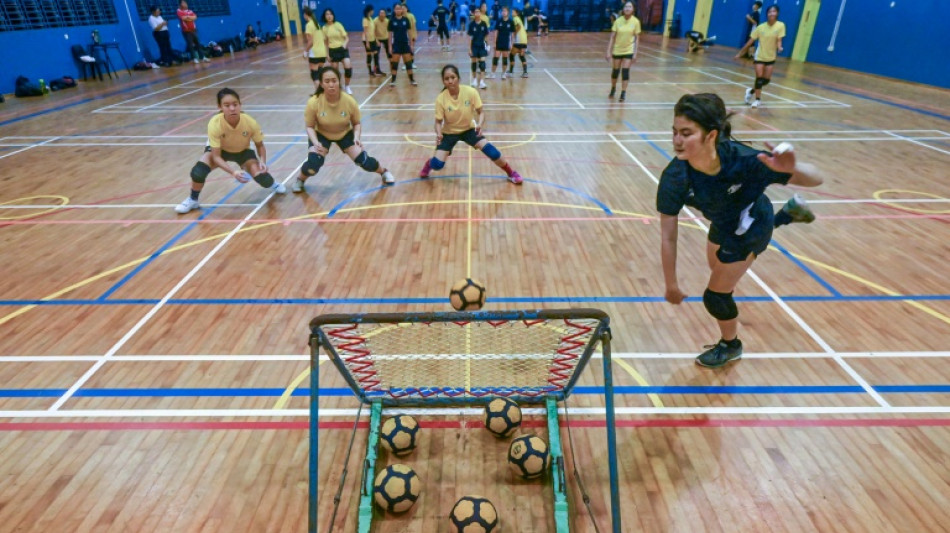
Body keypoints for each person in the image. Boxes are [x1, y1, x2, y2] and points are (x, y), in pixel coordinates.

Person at [657, 93, 822, 367]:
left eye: (686, 133)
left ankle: (730, 345)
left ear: (710, 136)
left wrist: (794, 168)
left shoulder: (744, 161)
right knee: (719, 272)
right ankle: (788, 214)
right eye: (674, 132)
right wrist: (670, 284)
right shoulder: (675, 178)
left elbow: (817, 178)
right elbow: (668, 235)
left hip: (753, 223)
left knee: (716, 296)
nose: (677, 140)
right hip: (723, 221)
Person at [175, 88, 286, 214]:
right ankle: (193, 199)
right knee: (198, 172)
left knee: (263, 178)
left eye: (235, 104)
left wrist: (263, 162)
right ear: (220, 107)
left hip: (243, 151)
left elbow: (260, 145)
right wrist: (233, 172)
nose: (232, 108)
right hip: (220, 151)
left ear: (240, 104)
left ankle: (273, 184)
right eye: (227, 105)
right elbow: (216, 156)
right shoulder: (215, 123)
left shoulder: (250, 122)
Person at [293, 66, 396, 193]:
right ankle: (300, 180)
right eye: (327, 81)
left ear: (339, 81)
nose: (331, 84)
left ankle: (383, 172)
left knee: (364, 161)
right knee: (313, 164)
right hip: (321, 135)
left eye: (334, 80)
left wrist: (356, 137)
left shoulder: (349, 101)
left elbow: (356, 123)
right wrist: (315, 142)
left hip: (344, 133)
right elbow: (309, 126)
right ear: (321, 84)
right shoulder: (314, 102)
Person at [418, 65, 523, 184]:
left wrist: (480, 124)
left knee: (493, 152)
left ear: (458, 78)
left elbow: (481, 112)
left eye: (453, 77)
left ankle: (511, 173)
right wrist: (438, 133)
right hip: (449, 133)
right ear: (443, 81)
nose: (450, 81)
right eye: (447, 79)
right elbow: (438, 122)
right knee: (437, 164)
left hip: (469, 130)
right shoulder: (440, 99)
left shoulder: (470, 92)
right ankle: (429, 164)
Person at [735, 5, 784, 109]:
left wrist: (780, 47)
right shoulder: (761, 27)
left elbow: (779, 40)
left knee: (766, 80)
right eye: (770, 12)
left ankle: (750, 91)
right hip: (759, 56)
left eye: (774, 11)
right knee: (759, 79)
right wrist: (740, 53)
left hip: (771, 57)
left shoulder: (780, 26)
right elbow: (750, 42)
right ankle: (757, 100)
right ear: (767, 14)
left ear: (777, 13)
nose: (772, 13)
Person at [605, 1, 640, 102]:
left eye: (630, 7)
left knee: (625, 72)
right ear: (623, 9)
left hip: (628, 50)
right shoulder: (618, 21)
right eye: (626, 7)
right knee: (615, 72)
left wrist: (635, 53)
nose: (627, 8)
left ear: (633, 9)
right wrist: (608, 51)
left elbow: (637, 39)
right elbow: (612, 37)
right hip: (617, 50)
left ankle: (623, 92)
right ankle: (613, 88)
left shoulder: (636, 22)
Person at [322, 8, 354, 95]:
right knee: (335, 72)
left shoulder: (338, 24)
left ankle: (347, 86)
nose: (329, 16)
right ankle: (338, 87)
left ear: (333, 15)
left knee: (348, 68)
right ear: (324, 16)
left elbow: (346, 38)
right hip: (333, 51)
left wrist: (344, 44)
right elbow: (326, 43)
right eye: (327, 14)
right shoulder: (324, 28)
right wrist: (327, 54)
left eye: (330, 14)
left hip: (342, 50)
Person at [388, 3, 417, 87]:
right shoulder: (391, 21)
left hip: (405, 45)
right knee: (394, 64)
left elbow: (410, 33)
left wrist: (411, 45)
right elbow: (390, 35)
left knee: (408, 64)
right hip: (396, 45)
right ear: (394, 10)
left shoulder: (406, 20)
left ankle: (412, 80)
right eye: (396, 9)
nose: (398, 10)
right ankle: (393, 80)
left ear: (402, 10)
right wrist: (390, 46)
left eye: (399, 8)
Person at [302, 7, 327, 91]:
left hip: (315, 53)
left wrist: (305, 51)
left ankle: (319, 93)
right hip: (322, 53)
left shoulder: (309, 25)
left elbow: (311, 41)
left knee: (315, 74)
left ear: (305, 15)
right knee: (320, 73)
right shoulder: (317, 24)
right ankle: (322, 92)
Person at [489, 6, 514, 80]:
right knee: (495, 58)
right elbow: (496, 32)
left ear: (508, 12)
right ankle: (493, 73)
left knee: (505, 59)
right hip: (499, 42)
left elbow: (512, 34)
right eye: (503, 11)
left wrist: (511, 43)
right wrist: (494, 43)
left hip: (506, 43)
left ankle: (503, 73)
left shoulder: (510, 22)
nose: (504, 12)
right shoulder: (499, 21)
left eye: (505, 11)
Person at [468, 8, 490, 89]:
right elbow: (470, 38)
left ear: (480, 13)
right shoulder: (471, 24)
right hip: (474, 46)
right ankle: (474, 80)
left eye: (478, 12)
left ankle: (482, 82)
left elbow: (486, 35)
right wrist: (469, 49)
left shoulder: (483, 24)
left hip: (482, 46)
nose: (477, 13)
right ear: (474, 14)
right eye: (476, 12)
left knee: (482, 64)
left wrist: (488, 46)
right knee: (474, 63)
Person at [362, 5, 381, 78]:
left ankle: (375, 70)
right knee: (369, 55)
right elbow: (365, 32)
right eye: (372, 10)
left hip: (373, 39)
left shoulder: (371, 19)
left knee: (376, 55)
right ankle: (370, 72)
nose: (373, 11)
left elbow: (373, 31)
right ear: (369, 10)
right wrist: (367, 43)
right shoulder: (365, 20)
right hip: (367, 40)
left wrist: (376, 40)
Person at [509, 9, 528, 78]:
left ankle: (511, 72)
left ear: (516, 13)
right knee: (521, 56)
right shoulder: (519, 19)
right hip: (524, 40)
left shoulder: (515, 18)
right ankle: (525, 73)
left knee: (511, 55)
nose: (512, 13)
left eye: (513, 12)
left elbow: (518, 26)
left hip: (519, 40)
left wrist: (514, 34)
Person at [375, 8, 392, 75]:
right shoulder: (375, 21)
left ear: (385, 14)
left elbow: (389, 32)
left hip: (386, 38)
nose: (382, 14)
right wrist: (377, 41)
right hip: (377, 38)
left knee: (389, 53)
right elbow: (373, 31)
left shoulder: (387, 21)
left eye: (383, 13)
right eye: (381, 13)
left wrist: (389, 41)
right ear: (379, 14)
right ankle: (377, 70)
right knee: (376, 55)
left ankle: (392, 68)